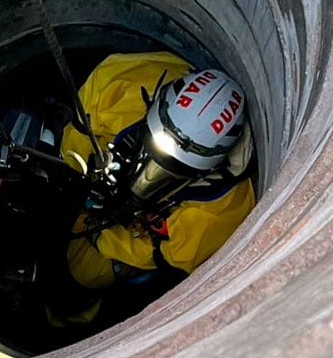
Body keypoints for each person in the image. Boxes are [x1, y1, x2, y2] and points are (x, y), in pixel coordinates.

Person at [42, 51, 256, 329]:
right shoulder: (123, 82)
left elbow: (156, 252)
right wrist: (75, 175)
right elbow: (81, 126)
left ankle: (68, 317)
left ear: (208, 168)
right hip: (86, 179)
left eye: (170, 170)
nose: (150, 170)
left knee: (83, 272)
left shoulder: (216, 215)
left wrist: (101, 233)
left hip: (124, 229)